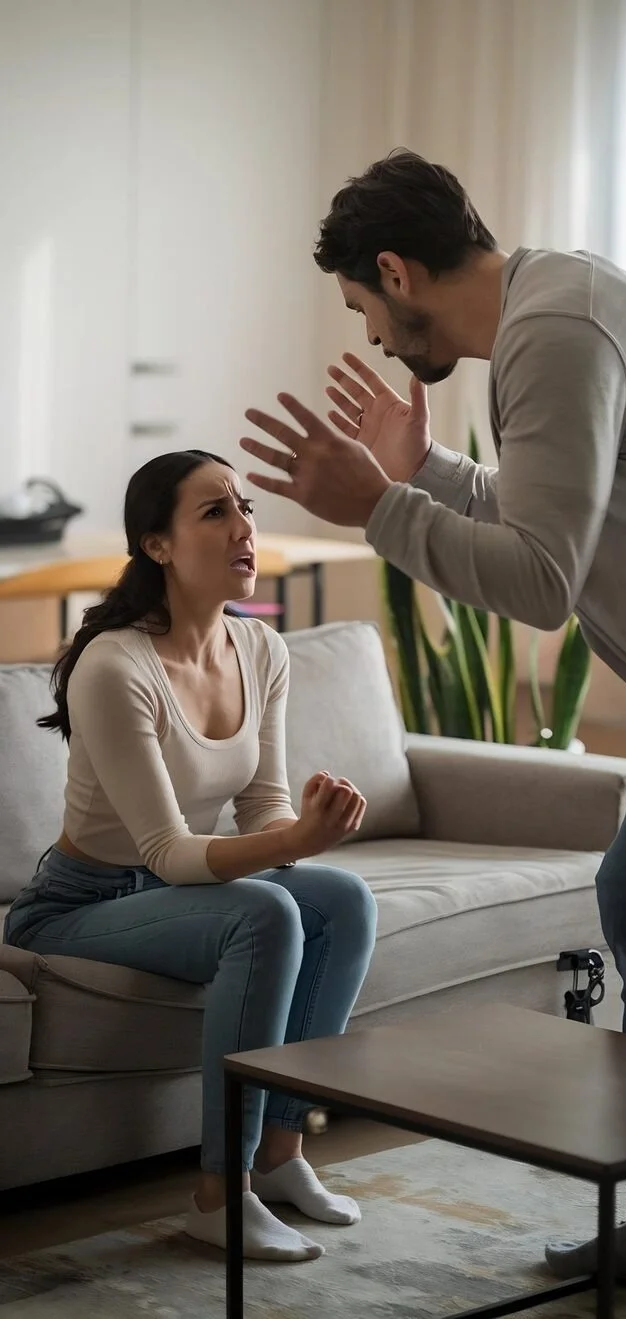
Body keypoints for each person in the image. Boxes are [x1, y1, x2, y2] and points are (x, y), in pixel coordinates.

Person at [240, 149, 626, 1296]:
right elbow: (562, 518)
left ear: (396, 269)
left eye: (362, 306)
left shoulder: (551, 338)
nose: (368, 335)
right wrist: (425, 474)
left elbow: (537, 582)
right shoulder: (554, 302)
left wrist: (375, 503)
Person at [3, 449, 377, 1263]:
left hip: (177, 891)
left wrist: (307, 825)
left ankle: (282, 1155)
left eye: (244, 506)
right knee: (269, 911)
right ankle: (220, 1192)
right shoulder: (113, 664)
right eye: (215, 512)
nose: (244, 526)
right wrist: (291, 844)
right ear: (158, 545)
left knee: (343, 899)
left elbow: (263, 808)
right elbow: (169, 852)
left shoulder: (262, 651)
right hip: (81, 906)